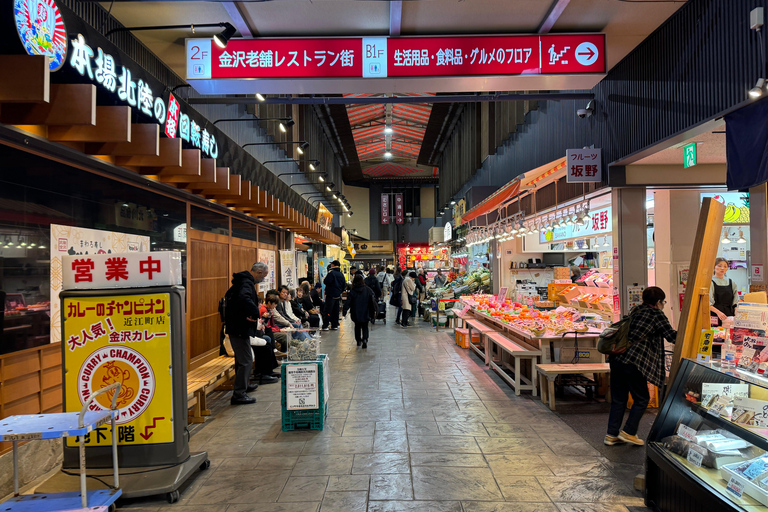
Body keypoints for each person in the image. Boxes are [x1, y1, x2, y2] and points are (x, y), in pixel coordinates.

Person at [605, 286, 677, 447]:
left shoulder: (636, 310)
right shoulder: (656, 315)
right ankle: (629, 431)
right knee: (642, 398)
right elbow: (671, 336)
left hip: (617, 359)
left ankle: (611, 434)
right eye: (663, 301)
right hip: (634, 362)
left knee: (619, 399)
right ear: (658, 302)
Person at [223, 262, 269, 405]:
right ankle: (239, 394)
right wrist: (255, 312)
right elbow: (244, 299)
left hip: (238, 326)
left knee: (242, 359)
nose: (263, 279)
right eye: (264, 276)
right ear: (259, 272)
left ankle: (244, 386)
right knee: (247, 360)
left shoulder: (242, 281)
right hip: (238, 328)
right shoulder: (246, 283)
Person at [343, 274, 377, 348]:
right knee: (365, 326)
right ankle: (365, 339)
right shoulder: (368, 290)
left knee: (357, 326)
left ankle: (358, 340)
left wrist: (344, 311)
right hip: (366, 312)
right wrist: (373, 311)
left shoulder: (352, 291)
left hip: (355, 312)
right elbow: (372, 301)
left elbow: (348, 302)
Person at [710, 257, 738, 325]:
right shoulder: (710, 282)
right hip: (715, 315)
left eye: (725, 266)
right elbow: (708, 303)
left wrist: (736, 311)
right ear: (714, 267)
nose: (722, 268)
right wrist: (718, 313)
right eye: (719, 266)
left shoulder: (732, 282)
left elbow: (736, 300)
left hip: (729, 315)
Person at [323, 260, 346, 331]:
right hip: (337, 295)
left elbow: (326, 281)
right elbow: (344, 285)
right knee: (336, 311)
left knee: (328, 311)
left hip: (330, 295)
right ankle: (334, 325)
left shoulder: (331, 273)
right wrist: (339, 291)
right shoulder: (341, 274)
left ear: (333, 265)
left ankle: (325, 325)